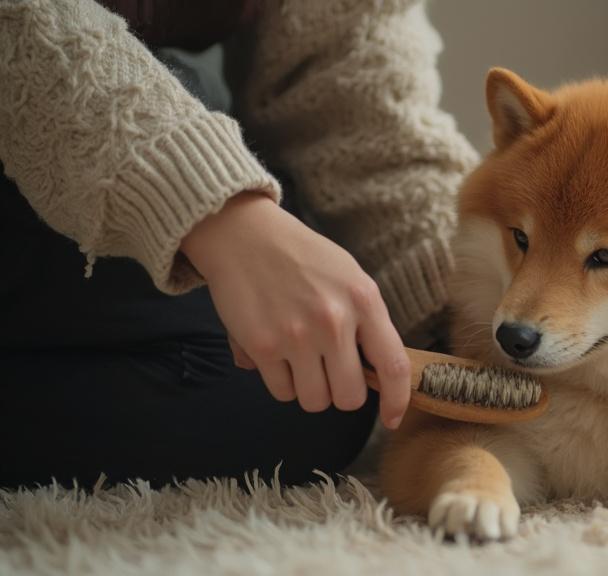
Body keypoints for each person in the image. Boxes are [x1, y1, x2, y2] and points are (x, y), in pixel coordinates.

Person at [0, 0, 478, 487]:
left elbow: (347, 78)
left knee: (315, 384)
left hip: (153, 94)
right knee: (284, 391)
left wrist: (460, 296)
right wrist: (212, 203)